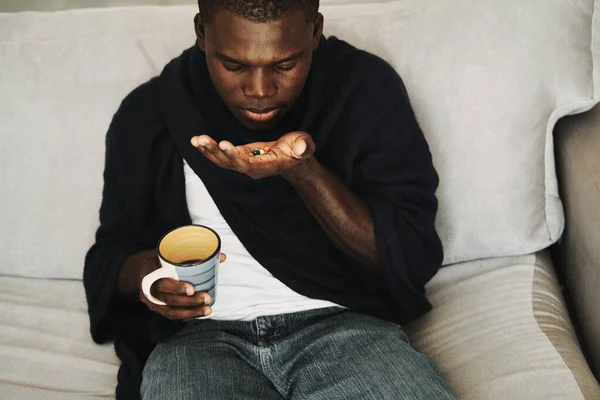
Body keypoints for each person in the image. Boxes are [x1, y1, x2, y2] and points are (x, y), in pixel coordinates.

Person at [84, 0, 457, 399]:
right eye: (234, 66)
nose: (259, 92)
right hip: (200, 341)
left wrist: (302, 170)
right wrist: (148, 276)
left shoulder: (363, 88)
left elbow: (410, 255)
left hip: (344, 326)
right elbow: (111, 253)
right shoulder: (149, 112)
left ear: (315, 31)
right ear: (200, 32)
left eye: (284, 65)